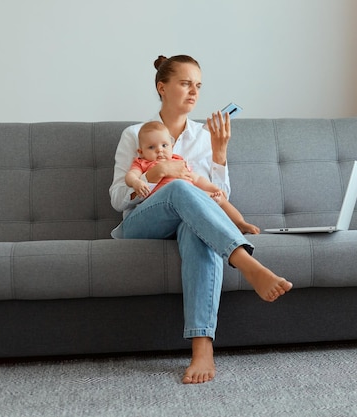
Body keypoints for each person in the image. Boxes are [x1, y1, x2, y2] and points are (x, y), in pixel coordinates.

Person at [109, 54, 292, 384]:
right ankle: (248, 264)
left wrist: (220, 155)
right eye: (184, 84)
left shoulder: (204, 136)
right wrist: (156, 175)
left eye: (198, 86)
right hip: (142, 223)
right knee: (179, 188)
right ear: (161, 87)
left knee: (197, 231)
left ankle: (202, 349)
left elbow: (215, 199)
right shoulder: (135, 134)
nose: (194, 92)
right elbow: (117, 199)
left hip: (189, 224)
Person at [126, 120, 260, 234]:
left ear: (172, 147)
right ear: (141, 152)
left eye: (164, 145)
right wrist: (137, 183)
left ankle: (240, 223)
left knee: (219, 199)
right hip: (164, 202)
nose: (159, 150)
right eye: (151, 147)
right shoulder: (143, 163)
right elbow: (131, 176)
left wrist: (214, 189)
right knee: (181, 188)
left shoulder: (178, 161)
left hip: (191, 196)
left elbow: (196, 179)